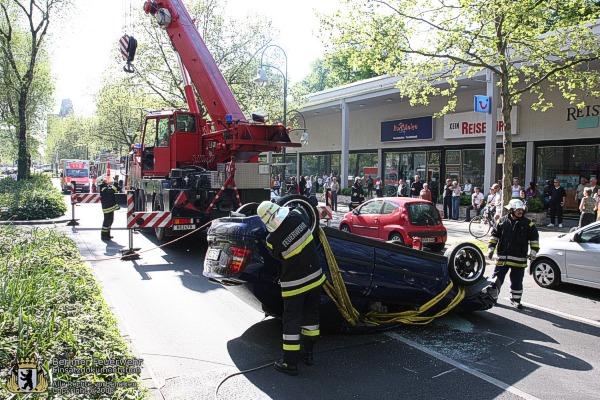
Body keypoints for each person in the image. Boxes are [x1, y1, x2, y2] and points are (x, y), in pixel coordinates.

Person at [256, 201, 326, 376]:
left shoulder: (272, 241)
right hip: (315, 277)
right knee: (311, 316)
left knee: (291, 322)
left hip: (295, 285)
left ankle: (289, 362)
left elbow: (276, 257)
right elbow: (303, 209)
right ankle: (308, 354)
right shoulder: (298, 216)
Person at [487, 199, 540, 309]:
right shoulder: (501, 221)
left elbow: (534, 238)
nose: (520, 212)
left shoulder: (528, 224)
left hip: (519, 258)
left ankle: (515, 299)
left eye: (521, 209)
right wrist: (491, 248)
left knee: (517, 280)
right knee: (496, 278)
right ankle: (492, 297)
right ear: (511, 210)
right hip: (503, 257)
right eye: (518, 210)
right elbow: (494, 235)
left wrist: (534, 251)